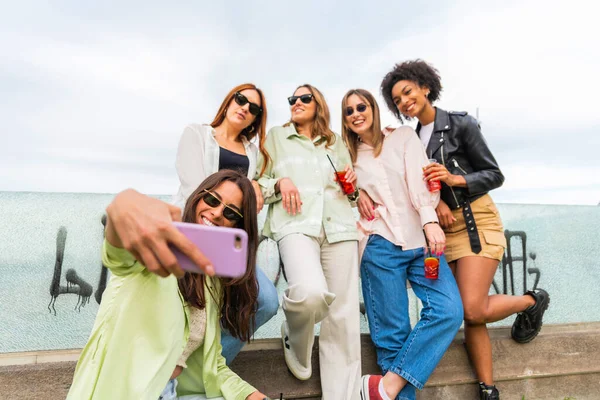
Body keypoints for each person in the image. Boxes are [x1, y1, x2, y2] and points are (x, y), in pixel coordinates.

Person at [380, 60, 550, 400]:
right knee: (468, 315)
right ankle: (488, 389)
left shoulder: (460, 124)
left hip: (476, 221)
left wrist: (455, 180)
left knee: (471, 308)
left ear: (425, 87)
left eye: (408, 92)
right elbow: (416, 186)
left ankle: (532, 300)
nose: (404, 102)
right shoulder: (409, 139)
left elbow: (494, 174)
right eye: (397, 100)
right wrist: (437, 201)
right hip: (445, 230)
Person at [67, 170, 267, 400]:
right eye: (212, 199)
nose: (217, 212)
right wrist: (122, 207)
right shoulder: (153, 252)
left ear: (237, 226)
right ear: (197, 197)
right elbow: (118, 256)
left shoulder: (213, 283)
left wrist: (250, 395)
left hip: (173, 392)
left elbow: (214, 364)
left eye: (231, 212)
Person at [340, 89, 463, 400]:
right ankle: (390, 391)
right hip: (379, 245)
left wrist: (429, 221)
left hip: (421, 242)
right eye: (348, 111)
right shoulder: (346, 154)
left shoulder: (403, 137)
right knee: (392, 337)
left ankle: (384, 387)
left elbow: (420, 181)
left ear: (373, 108)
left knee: (448, 310)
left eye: (361, 106)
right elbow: (339, 192)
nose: (356, 113)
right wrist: (357, 195)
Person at [256, 84, 361, 399]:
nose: (296, 103)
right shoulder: (275, 137)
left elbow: (351, 193)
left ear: (319, 105)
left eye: (304, 98)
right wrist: (279, 182)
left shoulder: (335, 143)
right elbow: (256, 184)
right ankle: (295, 335)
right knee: (310, 294)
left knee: (343, 318)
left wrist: (353, 186)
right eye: (292, 99)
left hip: (340, 227)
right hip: (295, 224)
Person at [173, 83, 278, 364]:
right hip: (195, 231)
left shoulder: (253, 153)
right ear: (230, 100)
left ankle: (207, 364)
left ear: (256, 118)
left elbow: (253, 192)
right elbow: (194, 187)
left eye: (254, 108)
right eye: (241, 99)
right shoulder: (196, 134)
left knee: (267, 300)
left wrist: (270, 185)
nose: (245, 107)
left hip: (231, 239)